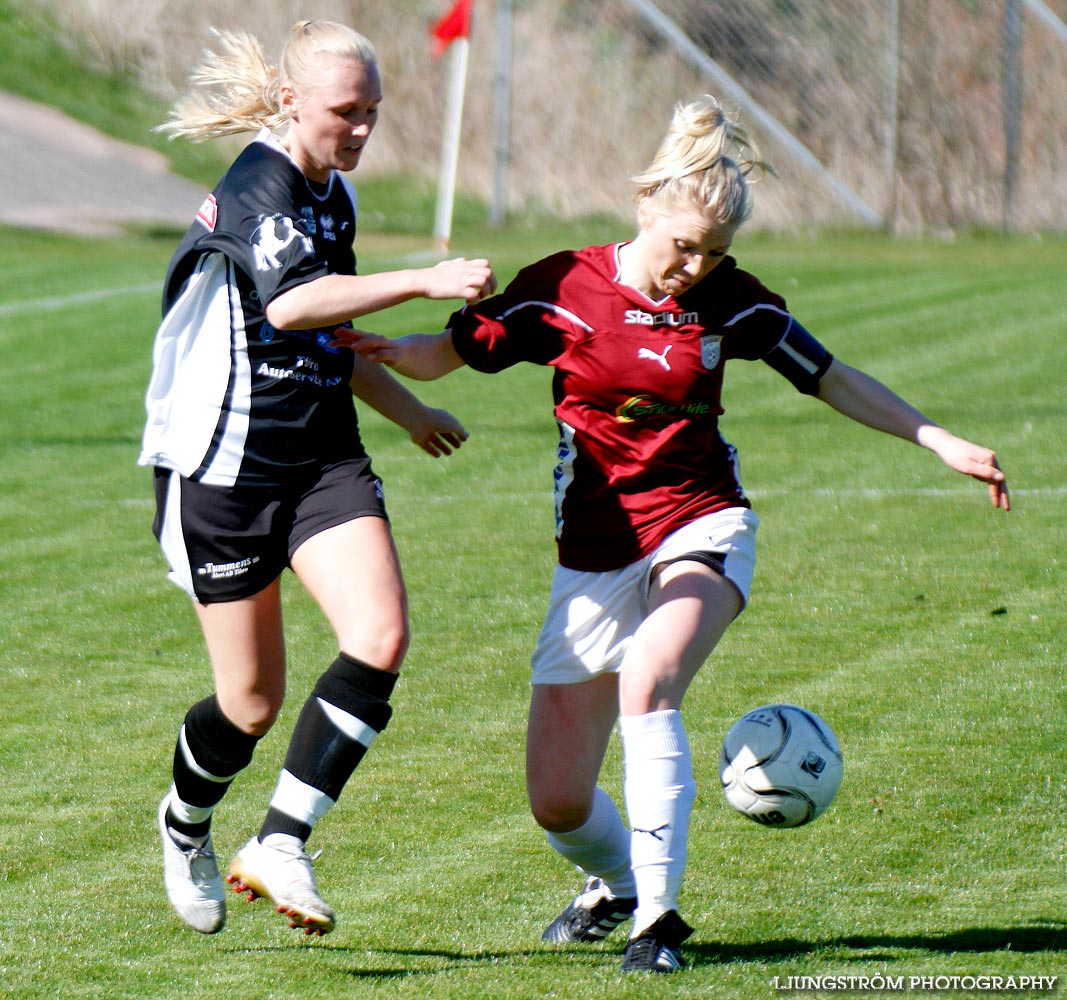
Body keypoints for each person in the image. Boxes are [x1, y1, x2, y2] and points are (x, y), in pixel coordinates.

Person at [337, 95, 1010, 972]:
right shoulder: (565, 289)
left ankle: (657, 922)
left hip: (703, 522)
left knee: (650, 680)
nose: (694, 267)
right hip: (592, 551)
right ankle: (615, 884)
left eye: (713, 254)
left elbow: (830, 376)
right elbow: (452, 350)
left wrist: (936, 437)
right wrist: (383, 349)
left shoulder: (731, 304)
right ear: (644, 204)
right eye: (681, 245)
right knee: (555, 801)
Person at [140, 20, 496, 937]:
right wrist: (423, 277)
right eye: (347, 111)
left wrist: (408, 411)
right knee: (249, 704)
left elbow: (325, 335)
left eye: (374, 111)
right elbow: (293, 301)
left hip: (320, 457)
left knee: (379, 634)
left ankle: (282, 841)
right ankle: (185, 824)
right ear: (293, 101)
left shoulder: (329, 193)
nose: (363, 130)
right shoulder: (261, 184)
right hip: (223, 468)